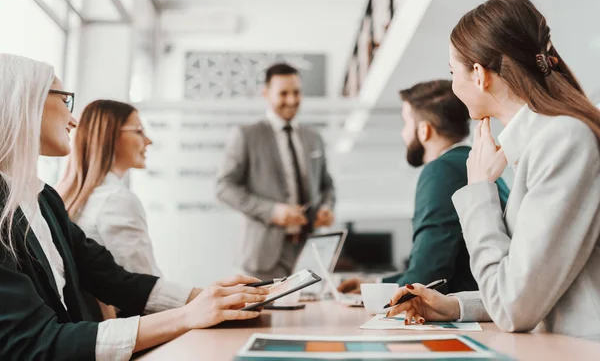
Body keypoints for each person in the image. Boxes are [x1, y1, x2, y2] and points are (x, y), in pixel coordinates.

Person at [0, 53, 268, 360]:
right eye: (65, 100)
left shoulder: (43, 198)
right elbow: (34, 342)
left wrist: (209, 297)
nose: (74, 120)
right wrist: (189, 314)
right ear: (25, 100)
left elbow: (112, 279)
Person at [387, 0, 600, 341]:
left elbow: (515, 307)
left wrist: (479, 190)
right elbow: (525, 283)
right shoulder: (542, 141)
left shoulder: (563, 140)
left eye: (452, 71)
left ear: (478, 75)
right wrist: (454, 306)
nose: (453, 85)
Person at [338, 80, 509, 295]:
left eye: (405, 123)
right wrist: (377, 283)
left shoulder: (442, 170)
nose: (403, 134)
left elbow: (427, 277)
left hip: (466, 314)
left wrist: (372, 295)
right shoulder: (471, 164)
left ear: (424, 131)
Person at [216, 63, 336, 280]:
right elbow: (223, 187)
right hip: (263, 256)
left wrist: (326, 207)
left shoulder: (313, 137)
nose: (291, 100)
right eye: (283, 93)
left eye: (296, 92)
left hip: (309, 253)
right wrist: (273, 211)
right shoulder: (247, 135)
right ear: (266, 94)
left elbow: (327, 184)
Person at [57, 100, 161, 277]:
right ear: (109, 135)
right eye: (139, 131)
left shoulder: (68, 196)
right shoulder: (116, 200)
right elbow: (144, 283)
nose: (148, 141)